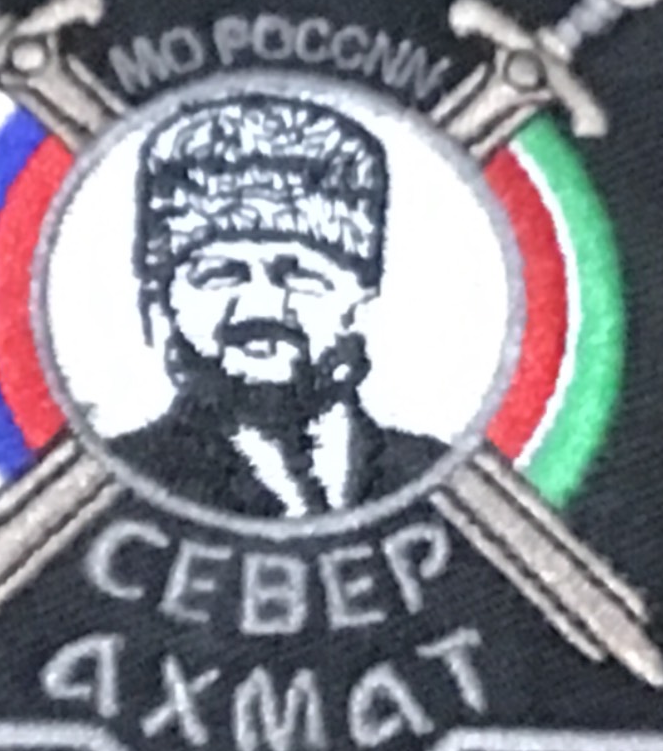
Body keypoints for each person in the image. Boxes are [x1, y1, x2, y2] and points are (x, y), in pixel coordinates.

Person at [114, 93, 445, 517]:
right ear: (158, 305)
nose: (260, 307)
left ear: (361, 302)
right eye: (221, 275)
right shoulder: (119, 481)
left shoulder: (438, 478)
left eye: (299, 276)